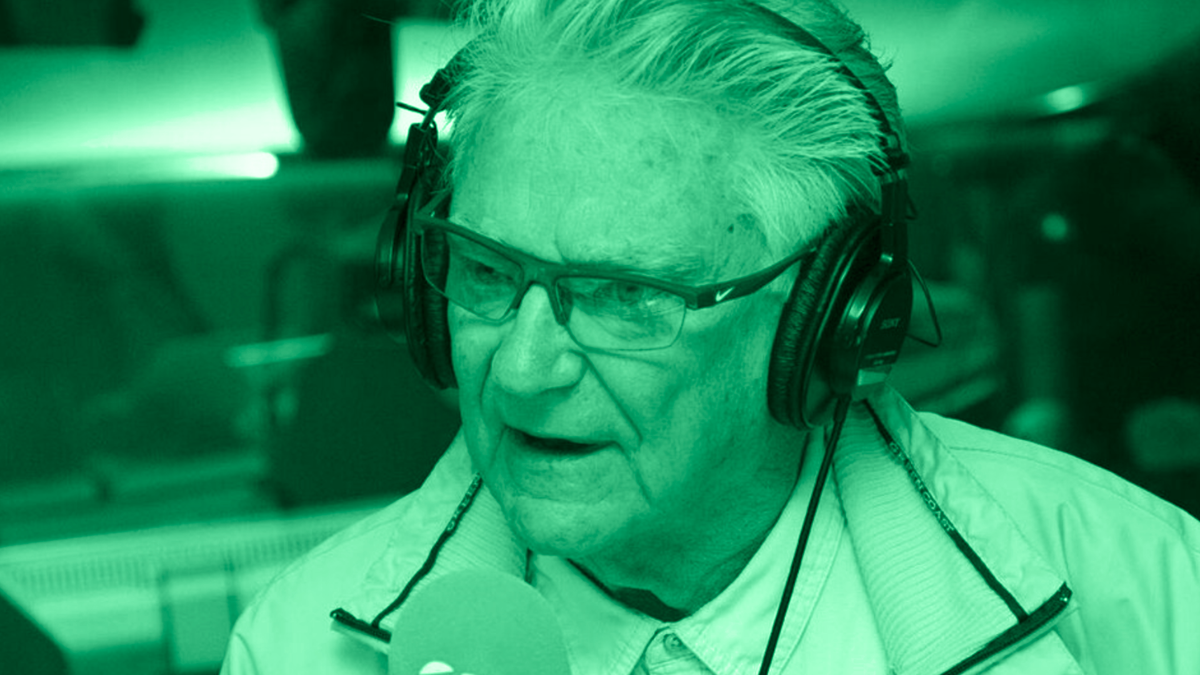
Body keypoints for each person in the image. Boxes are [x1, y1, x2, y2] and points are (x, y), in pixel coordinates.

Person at [221, 0, 1200, 673]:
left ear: (830, 319)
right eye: (485, 271)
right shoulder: (296, 646)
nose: (519, 371)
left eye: (622, 296)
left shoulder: (1153, 595)